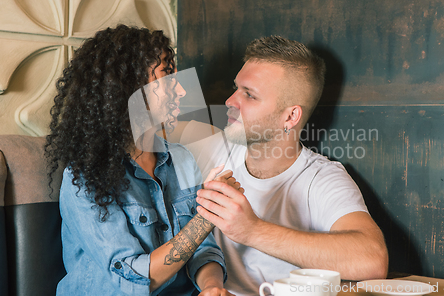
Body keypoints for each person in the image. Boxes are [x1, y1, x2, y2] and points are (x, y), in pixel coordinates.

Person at [174, 36, 389, 295]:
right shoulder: (210, 146)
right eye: (236, 88)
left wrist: (252, 230)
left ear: (290, 116)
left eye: (249, 95)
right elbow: (134, 126)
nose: (230, 101)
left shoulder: (321, 178)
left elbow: (373, 261)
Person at [44, 25, 237, 296]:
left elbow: (203, 249)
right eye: (167, 74)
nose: (181, 91)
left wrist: (212, 287)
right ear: (130, 86)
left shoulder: (180, 158)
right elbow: (132, 279)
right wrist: (206, 217)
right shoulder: (85, 177)